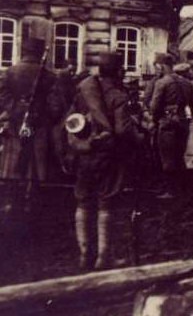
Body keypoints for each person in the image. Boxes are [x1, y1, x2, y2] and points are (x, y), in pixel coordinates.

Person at [69, 52, 144, 270]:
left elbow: (71, 122)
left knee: (83, 201)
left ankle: (84, 254)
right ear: (118, 71)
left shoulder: (82, 92)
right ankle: (103, 257)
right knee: (106, 203)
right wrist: (139, 137)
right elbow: (122, 130)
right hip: (108, 157)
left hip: (85, 155)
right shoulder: (118, 96)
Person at [0, 37, 62, 236]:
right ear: (40, 53)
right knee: (36, 173)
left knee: (12, 171)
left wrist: (17, 111)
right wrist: (39, 115)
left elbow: (2, 98)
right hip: (39, 129)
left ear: (23, 50)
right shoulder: (50, 76)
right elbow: (56, 107)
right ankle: (31, 214)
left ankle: (10, 209)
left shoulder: (10, 72)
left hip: (14, 128)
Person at [149, 53, 190, 198]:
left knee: (167, 157)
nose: (156, 69)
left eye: (156, 66)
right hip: (183, 123)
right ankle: (183, 189)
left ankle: (170, 191)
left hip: (167, 124)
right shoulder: (186, 82)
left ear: (161, 66)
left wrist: (154, 121)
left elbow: (154, 107)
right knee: (179, 155)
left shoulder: (162, 83)